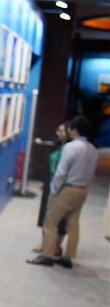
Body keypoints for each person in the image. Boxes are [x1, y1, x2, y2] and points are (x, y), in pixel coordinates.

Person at [28, 115, 98, 268]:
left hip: (67, 189)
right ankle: (68, 257)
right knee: (73, 224)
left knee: (50, 222)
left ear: (74, 130)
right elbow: (92, 172)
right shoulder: (92, 149)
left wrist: (54, 189)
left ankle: (47, 255)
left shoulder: (70, 147)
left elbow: (61, 172)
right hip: (82, 190)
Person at [33, 123, 69, 255]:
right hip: (50, 182)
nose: (59, 133)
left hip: (62, 186)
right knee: (45, 214)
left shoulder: (70, 148)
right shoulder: (57, 145)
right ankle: (44, 243)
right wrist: (44, 181)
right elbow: (49, 165)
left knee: (59, 218)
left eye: (62, 131)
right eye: (58, 130)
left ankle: (56, 246)